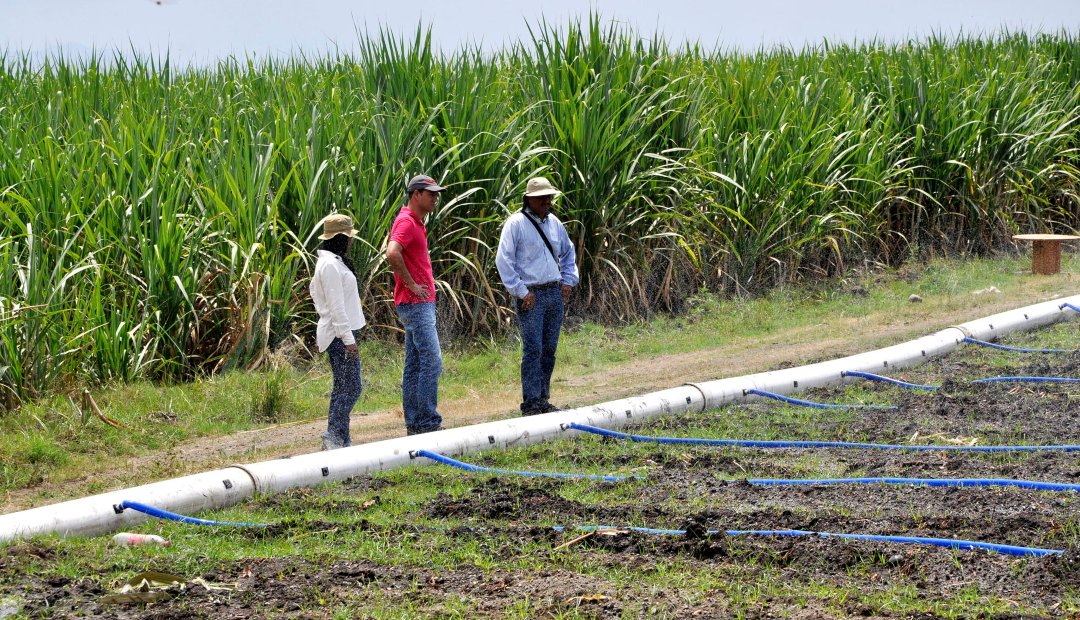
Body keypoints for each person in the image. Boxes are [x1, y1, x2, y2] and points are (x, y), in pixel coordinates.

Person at [495, 177, 579, 415]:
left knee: (549, 348)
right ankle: (531, 402)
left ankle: (543, 398)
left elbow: (568, 251)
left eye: (549, 196)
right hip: (531, 296)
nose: (546, 200)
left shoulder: (554, 223)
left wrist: (568, 281)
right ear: (528, 199)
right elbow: (504, 260)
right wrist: (521, 291)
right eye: (541, 197)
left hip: (553, 292)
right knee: (533, 349)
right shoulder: (516, 224)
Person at [386, 174, 446, 435]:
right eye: (430, 193)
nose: (435, 198)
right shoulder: (408, 222)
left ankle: (415, 423)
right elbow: (392, 252)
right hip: (416, 303)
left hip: (415, 303)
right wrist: (411, 284)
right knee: (432, 361)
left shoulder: (414, 221)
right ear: (415, 195)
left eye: (436, 193)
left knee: (415, 364)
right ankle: (427, 422)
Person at [310, 213, 367, 450]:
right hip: (338, 335)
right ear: (341, 238)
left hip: (338, 333)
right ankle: (334, 434)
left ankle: (341, 439)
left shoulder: (331, 261)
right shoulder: (331, 265)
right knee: (353, 386)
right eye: (349, 237)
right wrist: (348, 339)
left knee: (343, 386)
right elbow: (336, 307)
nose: (352, 242)